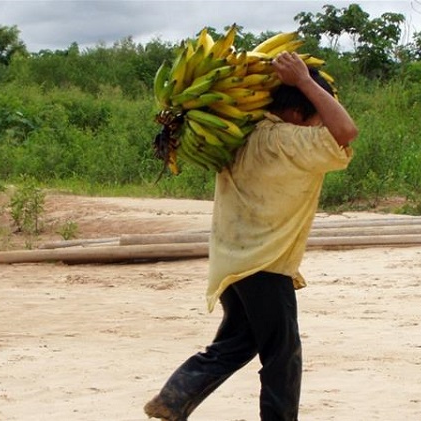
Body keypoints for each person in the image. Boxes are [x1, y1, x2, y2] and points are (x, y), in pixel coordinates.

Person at [143, 51, 359, 421]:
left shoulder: (243, 137)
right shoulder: (289, 142)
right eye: (312, 117)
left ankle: (174, 397)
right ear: (295, 113)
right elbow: (346, 132)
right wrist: (306, 81)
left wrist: (303, 86)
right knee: (283, 354)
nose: (316, 125)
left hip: (231, 264)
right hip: (265, 264)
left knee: (238, 342)